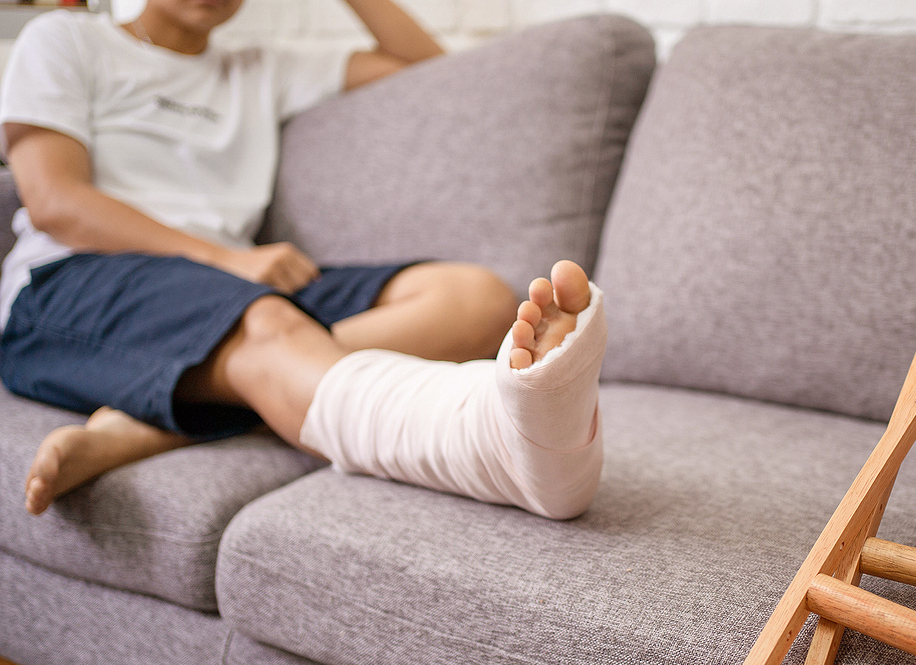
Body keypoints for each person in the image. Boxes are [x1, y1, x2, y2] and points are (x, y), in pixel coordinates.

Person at [0, 0, 607, 520]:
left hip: (227, 283)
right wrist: (224, 260)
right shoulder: (67, 37)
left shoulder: (261, 66)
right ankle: (510, 457)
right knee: (269, 324)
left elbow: (437, 74)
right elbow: (56, 201)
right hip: (73, 280)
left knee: (474, 298)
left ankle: (165, 416)